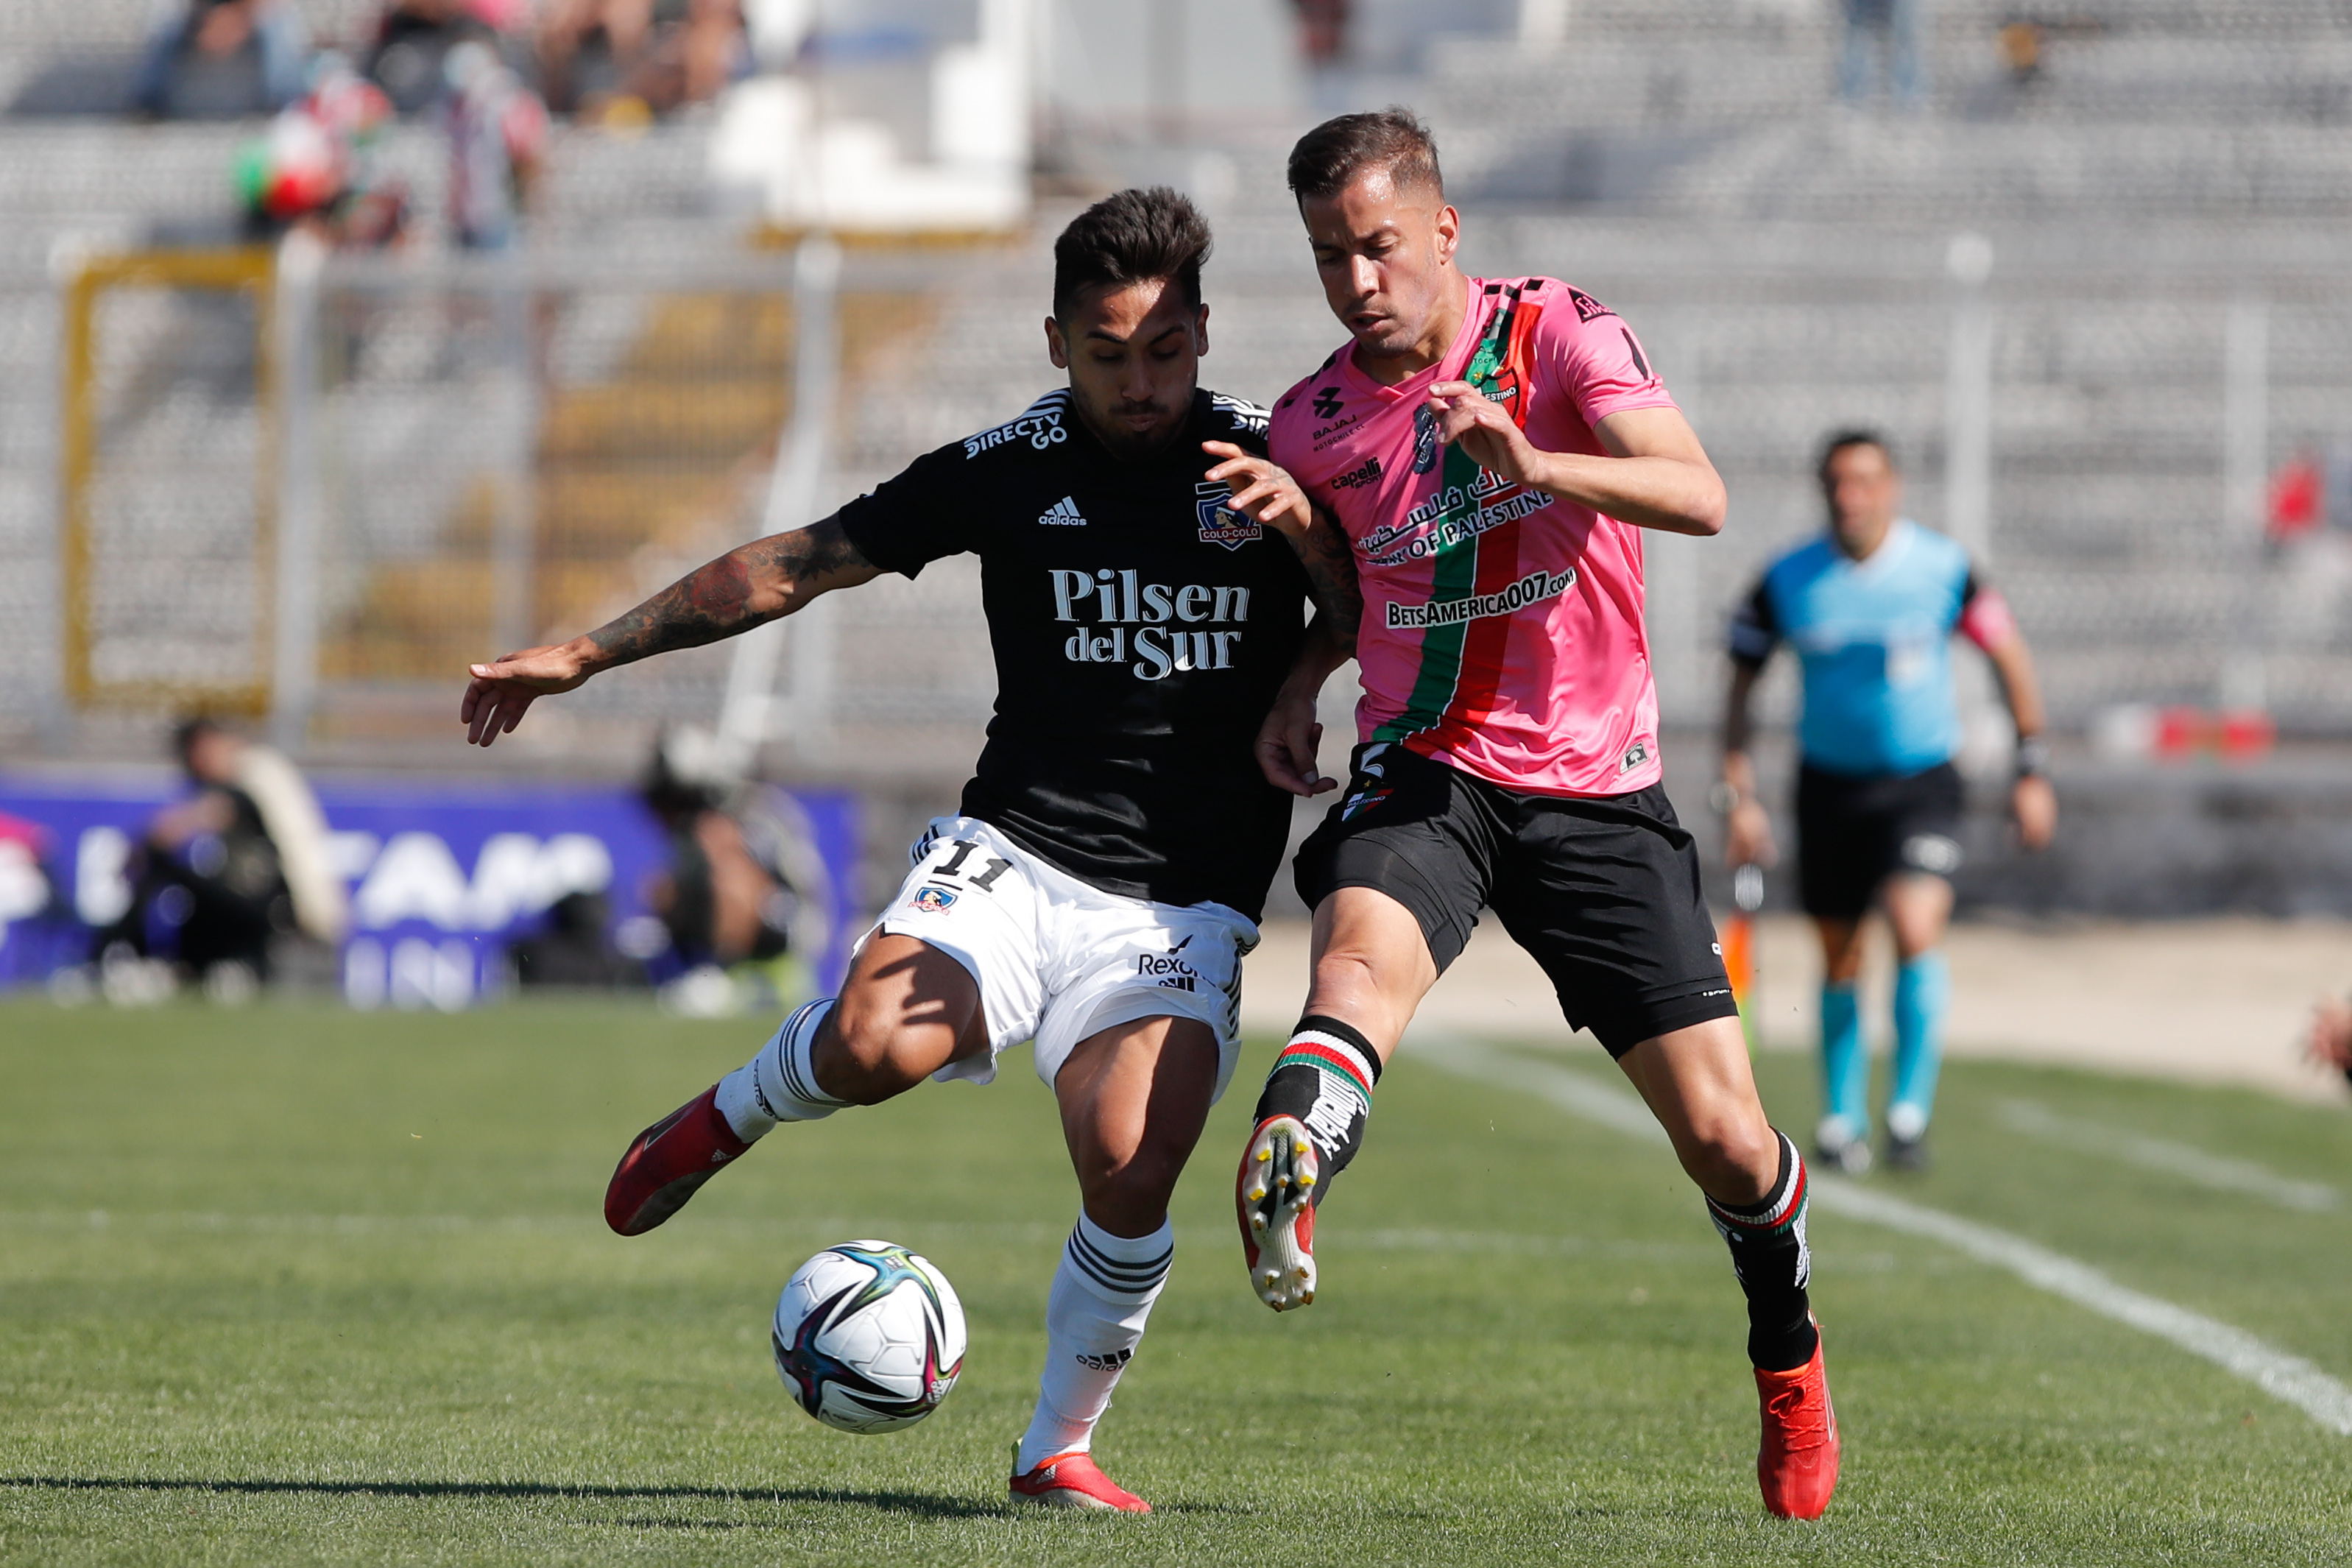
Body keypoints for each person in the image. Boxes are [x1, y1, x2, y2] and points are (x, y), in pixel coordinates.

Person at [458, 188, 1358, 1514]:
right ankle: (723, 1118)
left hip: (1186, 896)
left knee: (1133, 1160)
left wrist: (1302, 557)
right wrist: (585, 654)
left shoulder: (1277, 465)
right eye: (1108, 355)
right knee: (876, 1046)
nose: (1141, 383)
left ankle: (1057, 1447)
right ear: (1057, 343)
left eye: (1165, 352)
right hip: (1019, 849)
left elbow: (1379, 609)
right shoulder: (1007, 467)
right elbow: (795, 566)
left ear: (1206, 333)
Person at [1243, 108, 1837, 1522]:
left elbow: (1696, 493)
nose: (1357, 281)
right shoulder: (1309, 420)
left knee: (1728, 1143)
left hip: (1594, 791)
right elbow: (1367, 585)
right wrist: (1305, 673)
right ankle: (1294, 1154)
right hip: (1426, 767)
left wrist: (1538, 465)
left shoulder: (1557, 331)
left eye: (1378, 246)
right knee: (1351, 967)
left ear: (1443, 230)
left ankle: (1791, 1359)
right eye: (1330, 257)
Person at [1721, 431, 2055, 1176]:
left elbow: (2009, 654)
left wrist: (2031, 767)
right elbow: (1741, 681)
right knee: (1840, 957)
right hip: (1829, 787)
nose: (1851, 497)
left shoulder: (1944, 569)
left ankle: (1908, 1114)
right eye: (1838, 483)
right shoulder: (1787, 578)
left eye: (1866, 481)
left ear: (1892, 487)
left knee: (1914, 924)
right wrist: (1737, 793)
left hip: (1922, 784)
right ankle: (1842, 1122)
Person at [96, 717, 346, 992]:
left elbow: (204, 817)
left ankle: (113, 954)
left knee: (168, 867)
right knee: (194, 887)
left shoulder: (252, 772)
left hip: (282, 910)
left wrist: (146, 843)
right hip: (274, 903)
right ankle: (168, 963)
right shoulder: (261, 769)